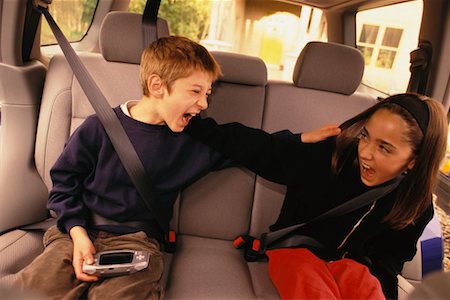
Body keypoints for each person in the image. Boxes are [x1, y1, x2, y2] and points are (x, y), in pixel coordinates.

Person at [13, 35, 229, 299]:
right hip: (76, 231)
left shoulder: (192, 141)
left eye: (207, 94)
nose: (204, 104)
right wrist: (78, 234)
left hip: (136, 239)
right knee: (33, 290)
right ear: (157, 86)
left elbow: (255, 146)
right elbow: (64, 183)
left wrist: (294, 142)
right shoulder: (98, 128)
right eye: (196, 91)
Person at [185, 93, 448, 299]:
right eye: (365, 137)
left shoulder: (415, 205)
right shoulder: (330, 156)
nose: (365, 152)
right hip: (296, 251)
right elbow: (260, 148)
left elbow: (389, 260)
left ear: (414, 161)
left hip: (351, 266)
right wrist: (194, 125)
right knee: (309, 283)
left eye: (384, 148)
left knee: (367, 283)